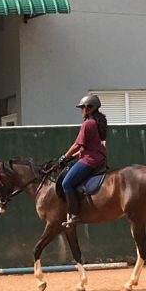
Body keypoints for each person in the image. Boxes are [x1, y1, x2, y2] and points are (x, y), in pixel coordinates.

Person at [58, 93, 108, 227]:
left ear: (89, 108)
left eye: (82, 108)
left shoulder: (88, 124)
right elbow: (87, 147)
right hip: (98, 158)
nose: (81, 111)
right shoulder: (97, 123)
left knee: (66, 184)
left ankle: (75, 215)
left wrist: (65, 157)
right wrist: (72, 157)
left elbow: (77, 145)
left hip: (90, 160)